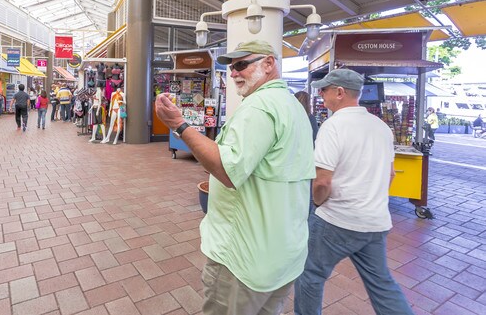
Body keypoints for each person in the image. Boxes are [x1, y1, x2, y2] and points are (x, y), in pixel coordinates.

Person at [155, 40, 314, 315]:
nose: (234, 72)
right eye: (231, 66)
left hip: (244, 259)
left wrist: (179, 125)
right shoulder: (292, 106)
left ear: (268, 64)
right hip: (283, 255)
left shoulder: (259, 107)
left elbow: (228, 169)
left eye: (241, 64)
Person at [294, 69, 414, 315]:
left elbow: (322, 181)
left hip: (337, 220)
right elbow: (390, 175)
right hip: (375, 222)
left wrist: (318, 205)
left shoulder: (334, 125)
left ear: (340, 92)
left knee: (310, 275)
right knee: (382, 284)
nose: (321, 95)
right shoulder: (381, 127)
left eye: (325, 90)